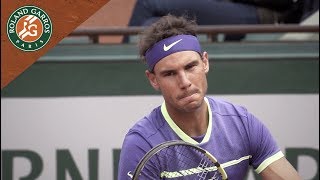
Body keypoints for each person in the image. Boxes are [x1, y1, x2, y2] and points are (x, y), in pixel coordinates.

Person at [118, 14, 302, 179]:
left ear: (205, 62)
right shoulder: (141, 144)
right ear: (153, 79)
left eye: (190, 67)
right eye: (170, 74)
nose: (184, 82)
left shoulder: (242, 123)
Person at [122, 0, 307, 43]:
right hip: (230, 5)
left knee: (149, 3)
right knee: (151, 24)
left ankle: (120, 64)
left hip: (266, 13)